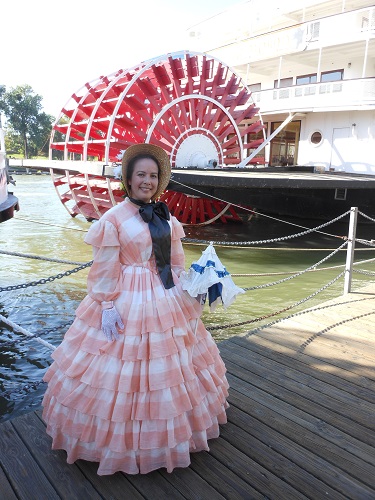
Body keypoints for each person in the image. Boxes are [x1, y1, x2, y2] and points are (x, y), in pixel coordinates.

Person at [42, 143, 229, 475]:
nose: (147, 181)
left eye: (153, 176)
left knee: (169, 367)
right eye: (141, 174)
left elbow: (174, 262)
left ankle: (168, 436)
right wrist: (107, 304)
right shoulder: (112, 219)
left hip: (165, 294)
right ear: (128, 180)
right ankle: (117, 444)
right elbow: (103, 269)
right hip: (127, 296)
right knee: (121, 369)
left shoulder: (167, 217)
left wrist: (195, 284)